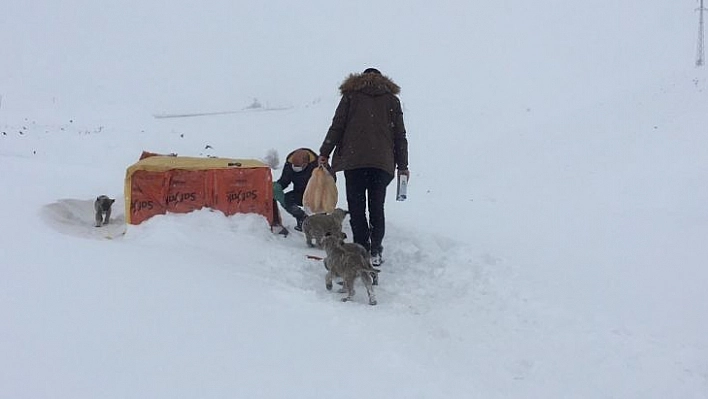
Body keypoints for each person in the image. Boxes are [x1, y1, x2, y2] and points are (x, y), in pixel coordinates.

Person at [317, 68, 409, 266]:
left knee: (357, 208)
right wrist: (403, 166)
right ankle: (375, 250)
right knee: (377, 207)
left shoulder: (350, 96)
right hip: (381, 163)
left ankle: (361, 249)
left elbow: (337, 126)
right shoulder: (392, 101)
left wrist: (324, 152)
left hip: (354, 161)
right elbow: (400, 136)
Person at [273, 148, 318, 232]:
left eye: (298, 166)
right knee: (287, 199)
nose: (295, 168)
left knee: (319, 211)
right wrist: (277, 186)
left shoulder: (317, 165)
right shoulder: (289, 165)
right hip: (299, 193)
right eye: (294, 165)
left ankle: (320, 223)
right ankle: (302, 218)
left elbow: (330, 180)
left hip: (316, 194)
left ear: (306, 163)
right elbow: (284, 181)